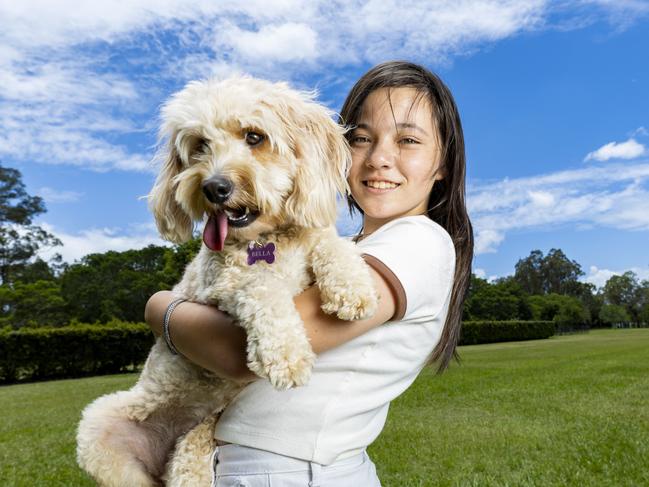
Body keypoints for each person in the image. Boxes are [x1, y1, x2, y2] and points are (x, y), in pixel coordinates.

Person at [145, 60, 474, 486]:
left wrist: (159, 307)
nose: (379, 159)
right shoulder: (338, 245)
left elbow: (237, 353)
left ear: (443, 164)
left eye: (408, 140)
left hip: (292, 473)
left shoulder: (419, 243)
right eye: (361, 139)